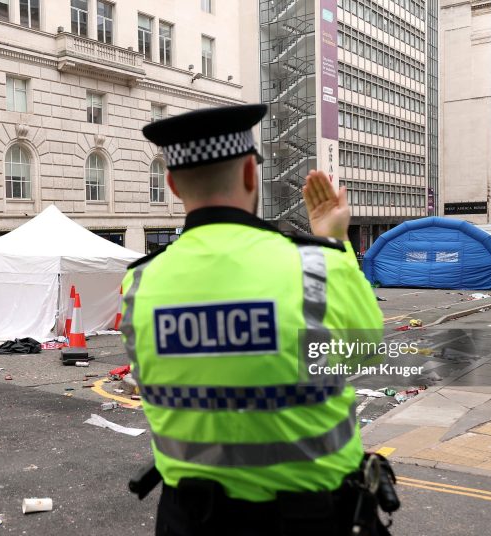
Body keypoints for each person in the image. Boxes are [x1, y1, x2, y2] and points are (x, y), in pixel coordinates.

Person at [121, 104, 388, 535]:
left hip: (189, 521)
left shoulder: (138, 282)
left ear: (172, 184)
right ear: (250, 173)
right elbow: (362, 354)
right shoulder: (318, 265)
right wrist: (334, 240)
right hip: (312, 519)